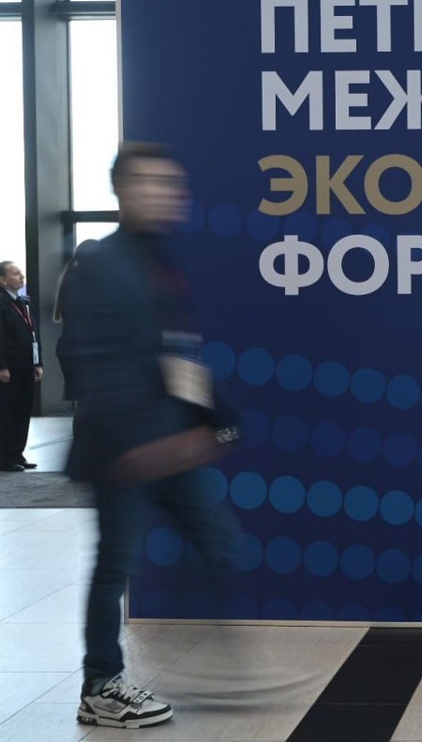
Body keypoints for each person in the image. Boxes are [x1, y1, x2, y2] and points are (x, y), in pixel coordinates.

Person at [59, 142, 240, 729]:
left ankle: (226, 667)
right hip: (124, 451)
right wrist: (137, 443)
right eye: (149, 183)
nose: (163, 194)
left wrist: (219, 420)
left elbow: (178, 355)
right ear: (121, 190)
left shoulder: (160, 260)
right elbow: (90, 360)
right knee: (116, 563)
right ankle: (100, 686)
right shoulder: (99, 261)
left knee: (218, 541)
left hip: (170, 443)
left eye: (171, 184)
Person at [0, 261, 42, 471]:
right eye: (15, 274)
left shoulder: (24, 302)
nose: (21, 276)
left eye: (20, 273)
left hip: (27, 365)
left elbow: (34, 333)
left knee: (23, 411)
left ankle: (18, 453)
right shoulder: (2, 303)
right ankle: (5, 457)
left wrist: (38, 363)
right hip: (9, 368)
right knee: (7, 412)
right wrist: (1, 366)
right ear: (2, 280)